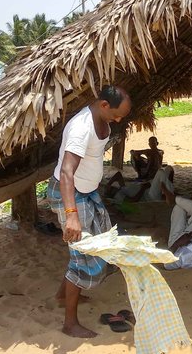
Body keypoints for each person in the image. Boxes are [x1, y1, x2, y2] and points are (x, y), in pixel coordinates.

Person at [47, 85, 131, 338]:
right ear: (104, 105)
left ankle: (64, 295)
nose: (118, 120)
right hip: (70, 195)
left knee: (100, 245)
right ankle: (69, 323)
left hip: (86, 192)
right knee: (83, 256)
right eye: (116, 115)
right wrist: (71, 214)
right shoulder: (81, 128)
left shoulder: (100, 119)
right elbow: (66, 172)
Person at [160, 182, 192, 250]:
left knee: (179, 207)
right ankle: (174, 199)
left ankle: (174, 199)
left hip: (176, 245)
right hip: (191, 239)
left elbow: (170, 256)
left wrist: (177, 244)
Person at [109, 165, 175, 203]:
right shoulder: (118, 195)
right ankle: (168, 194)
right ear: (112, 193)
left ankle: (170, 193)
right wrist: (143, 188)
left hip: (148, 189)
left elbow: (118, 175)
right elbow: (133, 200)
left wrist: (108, 184)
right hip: (149, 196)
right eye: (112, 189)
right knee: (160, 172)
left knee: (169, 169)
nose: (113, 187)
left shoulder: (122, 188)